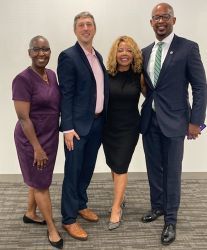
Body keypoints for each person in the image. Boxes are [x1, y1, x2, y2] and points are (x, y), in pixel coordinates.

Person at [140, 2, 207, 245]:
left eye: (165, 17)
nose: (160, 21)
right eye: (156, 18)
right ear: (151, 22)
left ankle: (171, 219)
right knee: (153, 168)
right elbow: (149, 87)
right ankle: (157, 206)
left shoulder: (188, 48)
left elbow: (200, 87)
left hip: (177, 122)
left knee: (172, 171)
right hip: (150, 120)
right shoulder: (145, 51)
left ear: (173, 20)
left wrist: (196, 122)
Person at [57, 12, 109, 241]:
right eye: (81, 25)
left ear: (94, 28)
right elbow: (65, 95)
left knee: (87, 169)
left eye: (89, 24)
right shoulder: (68, 56)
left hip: (97, 124)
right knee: (73, 172)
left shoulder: (97, 56)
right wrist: (67, 128)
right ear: (75, 30)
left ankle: (80, 204)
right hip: (76, 129)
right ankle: (68, 219)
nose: (86, 28)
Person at [12, 36, 63, 249]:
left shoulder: (51, 75)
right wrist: (36, 147)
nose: (42, 53)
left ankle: (30, 213)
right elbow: (23, 118)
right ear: (29, 52)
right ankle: (52, 228)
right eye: (37, 49)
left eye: (46, 49)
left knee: (37, 178)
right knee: (41, 184)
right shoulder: (22, 80)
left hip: (50, 136)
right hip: (31, 140)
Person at [103, 36, 145, 230]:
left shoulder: (140, 75)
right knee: (113, 164)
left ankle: (116, 209)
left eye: (129, 50)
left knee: (121, 166)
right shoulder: (106, 74)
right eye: (121, 50)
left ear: (134, 53)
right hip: (108, 127)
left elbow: (153, 96)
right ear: (115, 53)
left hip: (129, 128)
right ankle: (122, 197)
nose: (125, 54)